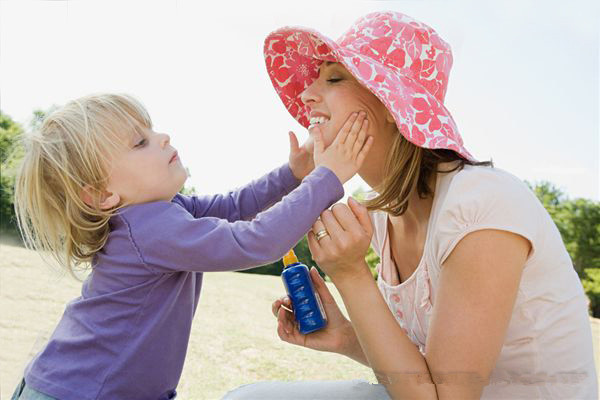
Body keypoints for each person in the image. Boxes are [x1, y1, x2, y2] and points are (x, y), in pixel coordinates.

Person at [223, 11, 598, 400]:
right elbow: (424, 376)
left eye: (334, 78)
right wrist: (347, 338)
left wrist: (351, 274)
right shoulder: (384, 216)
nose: (305, 96)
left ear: (390, 104)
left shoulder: (482, 204)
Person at [9, 93, 373, 400]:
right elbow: (256, 241)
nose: (163, 137)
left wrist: (293, 173)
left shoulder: (165, 213)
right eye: (140, 142)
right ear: (102, 195)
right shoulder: (150, 229)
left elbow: (236, 206)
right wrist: (327, 177)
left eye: (151, 130)